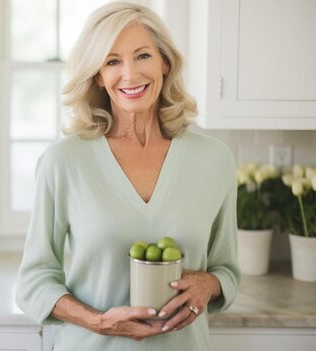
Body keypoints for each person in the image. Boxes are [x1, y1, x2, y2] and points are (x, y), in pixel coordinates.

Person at [15, 2, 241, 350]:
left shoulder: (214, 160)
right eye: (112, 61)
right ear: (98, 77)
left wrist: (209, 284)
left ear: (165, 62)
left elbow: (227, 270)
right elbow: (33, 281)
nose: (131, 75)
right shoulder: (64, 161)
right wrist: (100, 322)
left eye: (143, 56)